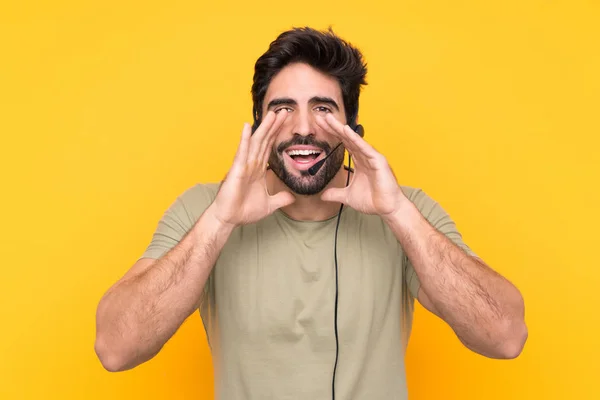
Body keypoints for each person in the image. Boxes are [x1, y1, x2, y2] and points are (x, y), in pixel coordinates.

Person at [94, 27, 528, 399]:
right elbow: (115, 348)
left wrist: (398, 211)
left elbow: (505, 336)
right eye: (283, 109)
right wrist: (219, 221)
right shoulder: (204, 207)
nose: (303, 127)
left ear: (353, 127)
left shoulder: (406, 209)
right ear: (258, 122)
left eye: (323, 108)